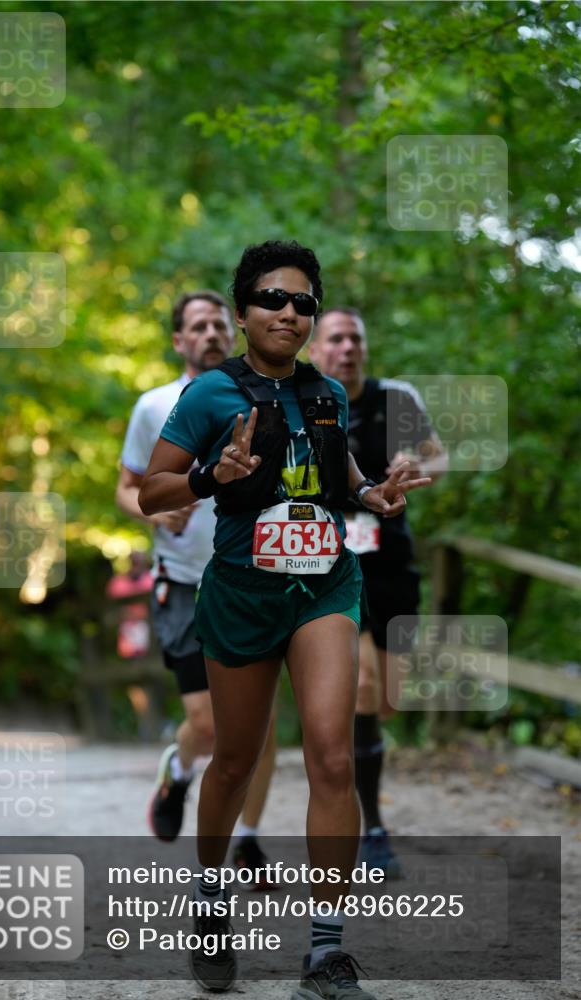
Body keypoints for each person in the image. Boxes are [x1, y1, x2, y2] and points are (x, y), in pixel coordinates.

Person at [140, 241, 431, 999]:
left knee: (332, 757)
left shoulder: (328, 395)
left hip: (324, 587)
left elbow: (345, 482)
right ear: (242, 312)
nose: (290, 314)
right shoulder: (209, 393)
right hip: (239, 593)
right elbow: (152, 493)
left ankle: (324, 955)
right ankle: (208, 900)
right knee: (234, 761)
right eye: (273, 299)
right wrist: (211, 474)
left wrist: (375, 495)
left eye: (304, 302)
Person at [116, 289, 277, 882]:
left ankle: (249, 842)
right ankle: (179, 769)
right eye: (197, 326)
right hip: (184, 579)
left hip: (257, 580)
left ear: (231, 331)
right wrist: (153, 513)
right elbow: (128, 486)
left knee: (259, 724)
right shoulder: (154, 405)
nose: (210, 333)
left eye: (217, 324)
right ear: (179, 339)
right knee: (210, 724)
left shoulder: (264, 398)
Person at [309, 308, 447, 876]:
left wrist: (417, 461)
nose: (347, 348)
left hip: (391, 561)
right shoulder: (308, 402)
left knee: (388, 696)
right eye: (336, 339)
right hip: (332, 562)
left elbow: (439, 454)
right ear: (316, 349)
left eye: (355, 338)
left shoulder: (398, 398)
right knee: (365, 683)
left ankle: (348, 753)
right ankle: (372, 825)